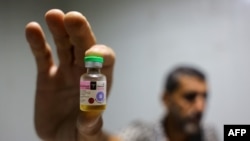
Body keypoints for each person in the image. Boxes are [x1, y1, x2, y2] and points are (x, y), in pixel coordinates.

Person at [25, 9, 218, 141]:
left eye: (204, 97)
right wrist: (82, 137)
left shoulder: (210, 135)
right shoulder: (142, 134)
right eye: (190, 97)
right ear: (166, 99)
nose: (200, 106)